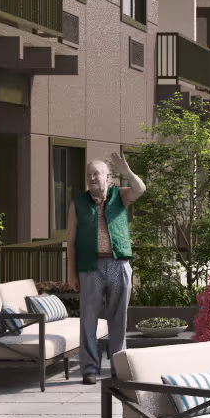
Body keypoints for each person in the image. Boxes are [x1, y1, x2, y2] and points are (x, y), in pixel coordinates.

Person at [69, 150, 144, 384]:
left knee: (118, 318)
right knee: (88, 319)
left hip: (118, 264)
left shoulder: (119, 196)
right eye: (89, 175)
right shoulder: (78, 203)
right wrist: (72, 273)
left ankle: (118, 368)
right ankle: (90, 369)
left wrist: (128, 173)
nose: (93, 178)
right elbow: (70, 240)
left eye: (97, 174)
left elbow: (141, 189)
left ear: (108, 177)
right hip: (90, 266)